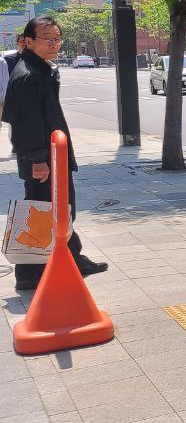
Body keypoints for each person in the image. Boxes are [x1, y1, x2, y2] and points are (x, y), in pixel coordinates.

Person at [3, 17, 108, 290]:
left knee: (59, 210)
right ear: (29, 41)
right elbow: (25, 123)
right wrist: (38, 160)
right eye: (47, 38)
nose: (54, 43)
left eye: (57, 38)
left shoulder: (40, 69)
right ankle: (28, 274)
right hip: (42, 159)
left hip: (52, 156)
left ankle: (72, 258)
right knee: (40, 213)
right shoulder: (28, 75)